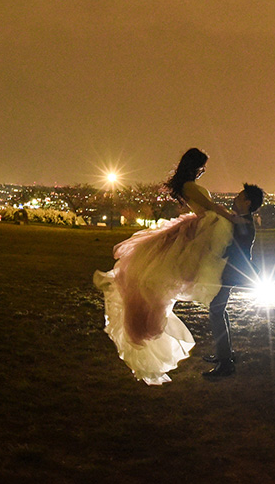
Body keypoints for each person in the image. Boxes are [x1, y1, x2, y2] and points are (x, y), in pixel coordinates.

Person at [92, 147, 249, 385]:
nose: (202, 171)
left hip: (206, 227)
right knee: (216, 301)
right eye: (201, 167)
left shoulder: (186, 186)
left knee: (217, 303)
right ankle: (225, 357)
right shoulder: (188, 186)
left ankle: (225, 355)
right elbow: (211, 207)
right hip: (208, 228)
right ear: (193, 166)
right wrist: (232, 218)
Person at [204, 182, 264, 378]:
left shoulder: (245, 224)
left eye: (239, 197)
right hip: (231, 272)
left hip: (231, 273)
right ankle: (225, 354)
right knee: (219, 310)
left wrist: (215, 253)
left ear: (247, 202)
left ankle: (225, 363)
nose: (234, 199)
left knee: (216, 311)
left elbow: (236, 251)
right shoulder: (243, 220)